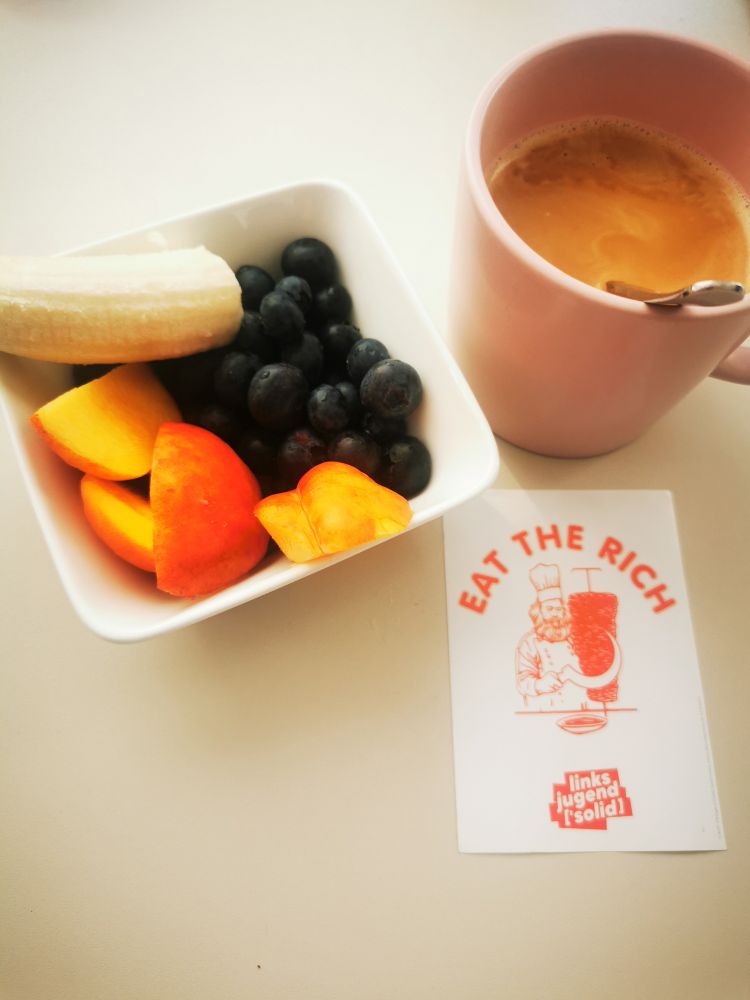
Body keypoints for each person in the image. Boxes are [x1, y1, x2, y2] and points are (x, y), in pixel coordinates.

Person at [515, 563, 583, 710]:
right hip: (546, 708)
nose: (554, 614)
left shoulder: (574, 637)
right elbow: (522, 682)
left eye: (558, 609)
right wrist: (539, 685)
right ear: (539, 611)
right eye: (550, 609)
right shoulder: (529, 642)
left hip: (579, 706)